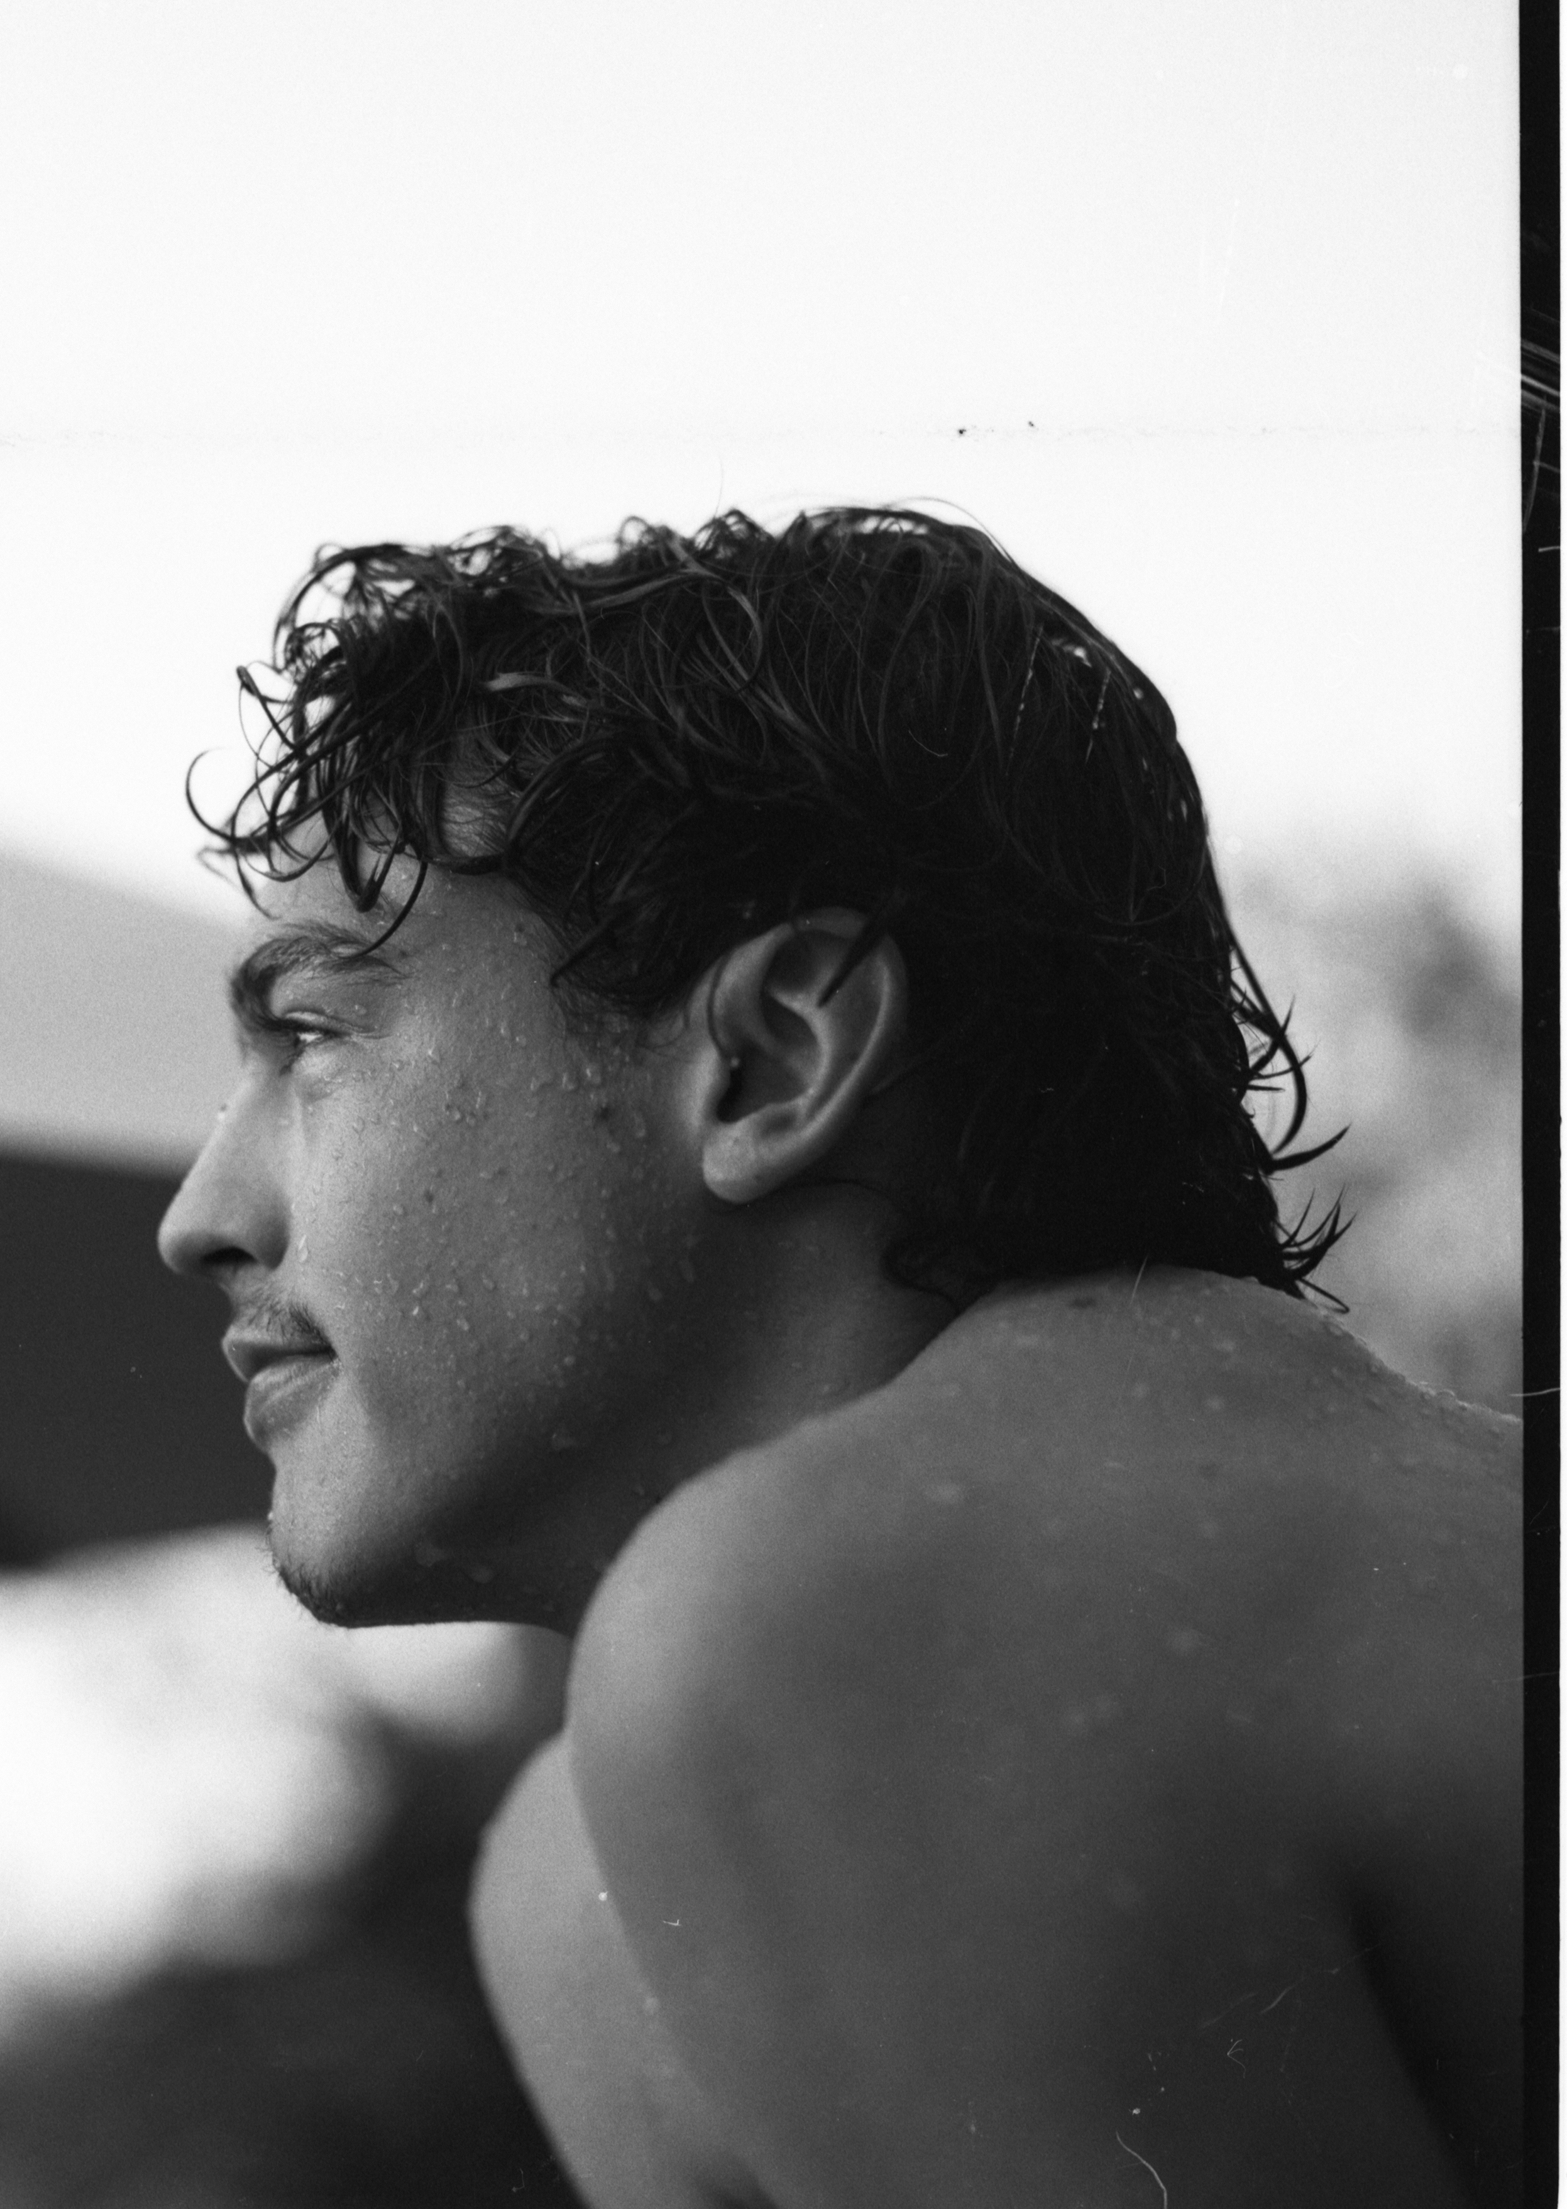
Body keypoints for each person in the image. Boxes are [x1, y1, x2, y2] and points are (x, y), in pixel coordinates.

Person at [156, 507, 1522, 2208]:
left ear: (774, 1058)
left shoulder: (844, 1625)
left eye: (309, 1033)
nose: (200, 1213)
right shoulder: (583, 1874)